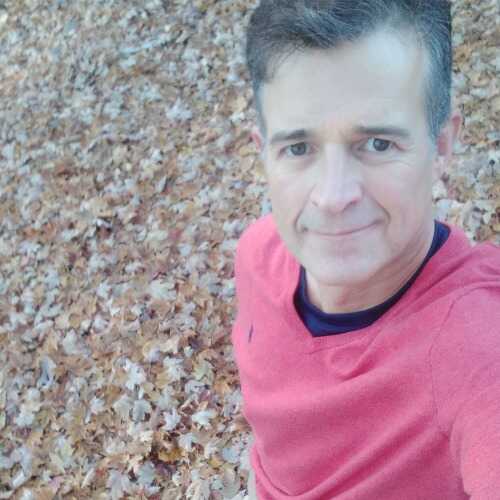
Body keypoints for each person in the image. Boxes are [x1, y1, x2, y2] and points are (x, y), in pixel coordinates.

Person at [231, 1, 500, 499]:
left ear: (442, 145)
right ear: (264, 152)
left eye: (377, 144)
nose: (333, 197)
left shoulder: (477, 348)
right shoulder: (257, 254)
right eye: (298, 148)